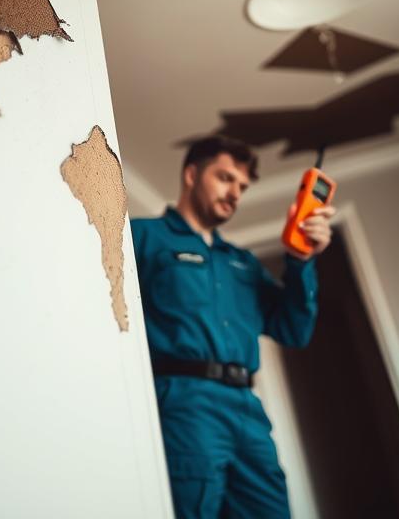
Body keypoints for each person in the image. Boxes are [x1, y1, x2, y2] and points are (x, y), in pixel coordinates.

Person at [131, 136, 335, 519]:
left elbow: (293, 330)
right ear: (191, 174)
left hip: (248, 411)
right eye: (225, 178)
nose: (235, 193)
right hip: (186, 404)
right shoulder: (142, 237)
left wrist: (301, 260)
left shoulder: (243, 263)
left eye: (241, 186)